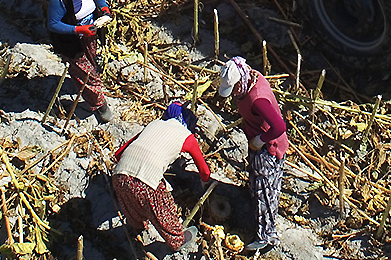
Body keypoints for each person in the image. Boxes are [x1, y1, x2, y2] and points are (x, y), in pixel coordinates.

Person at [111, 102, 210, 252]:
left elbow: (119, 154)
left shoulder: (154, 124)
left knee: (132, 206)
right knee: (164, 213)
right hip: (146, 183)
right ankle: (178, 240)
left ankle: (137, 227)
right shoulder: (186, 136)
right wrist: (204, 183)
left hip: (119, 174)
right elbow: (204, 171)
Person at [218, 57, 287, 252]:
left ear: (240, 82)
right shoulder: (252, 76)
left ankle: (267, 236)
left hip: (268, 148)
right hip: (257, 140)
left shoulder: (258, 100)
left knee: (266, 190)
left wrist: (259, 141)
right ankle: (253, 203)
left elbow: (279, 127)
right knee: (257, 183)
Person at [46, 0, 113, 123]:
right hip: (71, 40)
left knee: (93, 64)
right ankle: (99, 105)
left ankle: (89, 87)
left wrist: (104, 9)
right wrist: (78, 29)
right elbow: (53, 23)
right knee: (88, 75)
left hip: (89, 32)